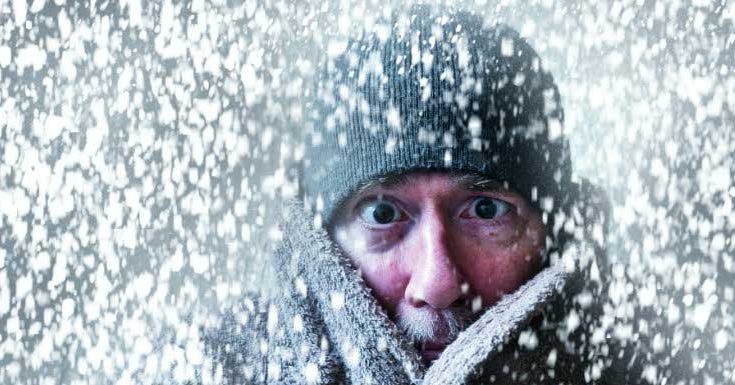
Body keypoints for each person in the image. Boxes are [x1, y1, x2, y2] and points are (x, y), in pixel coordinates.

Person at [140, 5, 647, 385]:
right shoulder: (203, 371)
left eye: (486, 210)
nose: (437, 282)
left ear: (553, 233)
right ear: (319, 247)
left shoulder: (653, 368)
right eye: (383, 213)